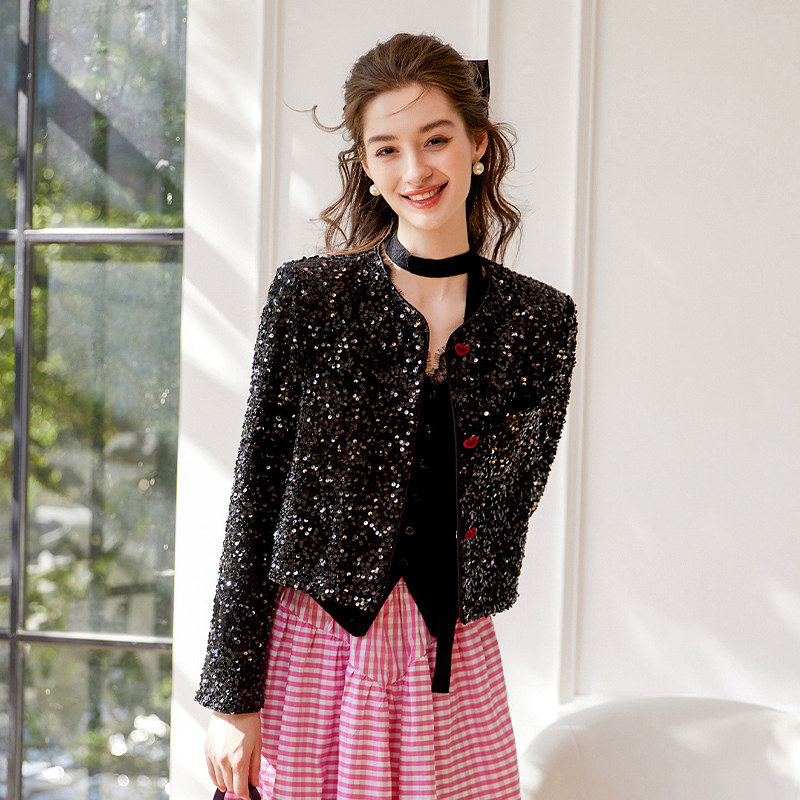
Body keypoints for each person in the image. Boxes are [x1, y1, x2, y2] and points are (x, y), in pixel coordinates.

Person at [197, 32, 577, 800]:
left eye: (435, 140)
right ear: (366, 167)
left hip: (450, 657)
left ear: (477, 144)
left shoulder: (538, 320)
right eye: (387, 149)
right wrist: (233, 695)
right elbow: (257, 493)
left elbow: (507, 504)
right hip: (315, 652)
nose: (414, 170)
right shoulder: (311, 297)